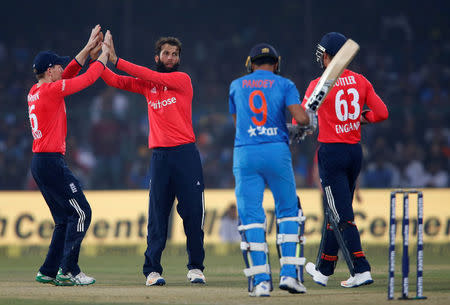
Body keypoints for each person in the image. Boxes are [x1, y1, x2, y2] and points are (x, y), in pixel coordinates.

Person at [96, 32, 206, 286]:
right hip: (160, 157)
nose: (171, 57)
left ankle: (196, 267)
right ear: (157, 56)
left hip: (185, 155)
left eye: (175, 54)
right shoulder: (148, 86)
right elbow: (115, 81)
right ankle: (152, 271)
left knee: (193, 213)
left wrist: (117, 59)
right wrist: (100, 61)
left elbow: (152, 75)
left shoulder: (182, 80)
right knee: (157, 216)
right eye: (166, 53)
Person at [302, 32, 388, 288]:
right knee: (336, 210)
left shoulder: (318, 84)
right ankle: (323, 270)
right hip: (354, 153)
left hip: (331, 153)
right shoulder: (361, 81)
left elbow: (302, 119)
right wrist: (355, 119)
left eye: (323, 54)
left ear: (329, 56)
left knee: (342, 216)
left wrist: (301, 126)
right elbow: (381, 113)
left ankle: (360, 268)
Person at [229, 43, 314, 297]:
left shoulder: (236, 85)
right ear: (276, 64)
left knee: (251, 217)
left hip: (246, 153)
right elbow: (301, 119)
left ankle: (261, 282)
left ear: (250, 64)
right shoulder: (285, 84)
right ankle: (290, 276)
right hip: (276, 152)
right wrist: (305, 123)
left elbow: (240, 125)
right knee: (288, 212)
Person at [29, 24, 110, 286]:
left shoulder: (36, 91)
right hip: (52, 162)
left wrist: (87, 48)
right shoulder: (52, 91)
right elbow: (85, 79)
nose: (63, 69)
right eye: (59, 67)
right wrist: (103, 56)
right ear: (50, 70)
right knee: (82, 212)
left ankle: (49, 270)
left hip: (40, 163)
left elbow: (71, 71)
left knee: (64, 220)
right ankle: (68, 270)